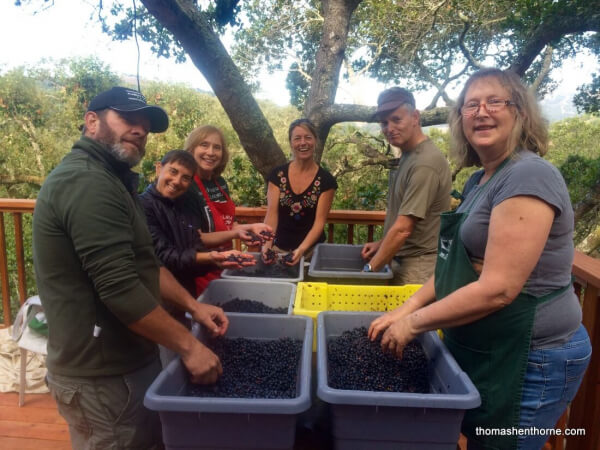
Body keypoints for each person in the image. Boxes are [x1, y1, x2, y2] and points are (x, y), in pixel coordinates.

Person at [368, 68, 592, 450]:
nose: (481, 112)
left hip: (532, 357)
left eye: (495, 102)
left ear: (520, 112)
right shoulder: (480, 181)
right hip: (488, 347)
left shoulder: (529, 176)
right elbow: (453, 268)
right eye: (471, 105)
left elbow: (498, 289)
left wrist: (414, 325)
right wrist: (406, 309)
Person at [33, 87, 229, 449]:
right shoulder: (87, 182)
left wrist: (194, 306)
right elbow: (120, 288)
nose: (140, 130)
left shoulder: (113, 181)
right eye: (127, 119)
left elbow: (146, 265)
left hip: (128, 366)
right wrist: (189, 347)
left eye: (145, 124)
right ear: (92, 121)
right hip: (100, 376)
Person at [140, 149, 266, 300]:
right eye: (173, 172)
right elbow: (165, 257)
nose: (177, 181)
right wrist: (212, 257)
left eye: (185, 178)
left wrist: (218, 261)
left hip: (186, 292)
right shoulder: (142, 206)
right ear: (159, 168)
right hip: (158, 296)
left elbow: (194, 244)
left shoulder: (184, 203)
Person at [360, 87, 452, 284]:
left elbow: (403, 229)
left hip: (418, 268)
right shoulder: (408, 155)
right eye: (384, 123)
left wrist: (369, 270)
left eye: (396, 119)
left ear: (415, 117)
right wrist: (382, 244)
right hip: (402, 259)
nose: (389, 128)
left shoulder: (425, 163)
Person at [183, 125, 272, 292]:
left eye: (217, 147)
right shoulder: (187, 187)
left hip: (225, 264)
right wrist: (236, 233)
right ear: (191, 149)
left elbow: (227, 225)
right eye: (204, 145)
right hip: (200, 269)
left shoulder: (220, 183)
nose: (210, 152)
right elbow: (196, 238)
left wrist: (249, 229)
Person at [261, 118, 338, 265]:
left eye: (308, 137)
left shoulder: (326, 181)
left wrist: (301, 250)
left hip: (312, 252)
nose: (303, 143)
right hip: (278, 249)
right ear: (291, 143)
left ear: (315, 141)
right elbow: (271, 215)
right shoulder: (277, 175)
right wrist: (266, 245)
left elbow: (319, 223)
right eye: (297, 138)